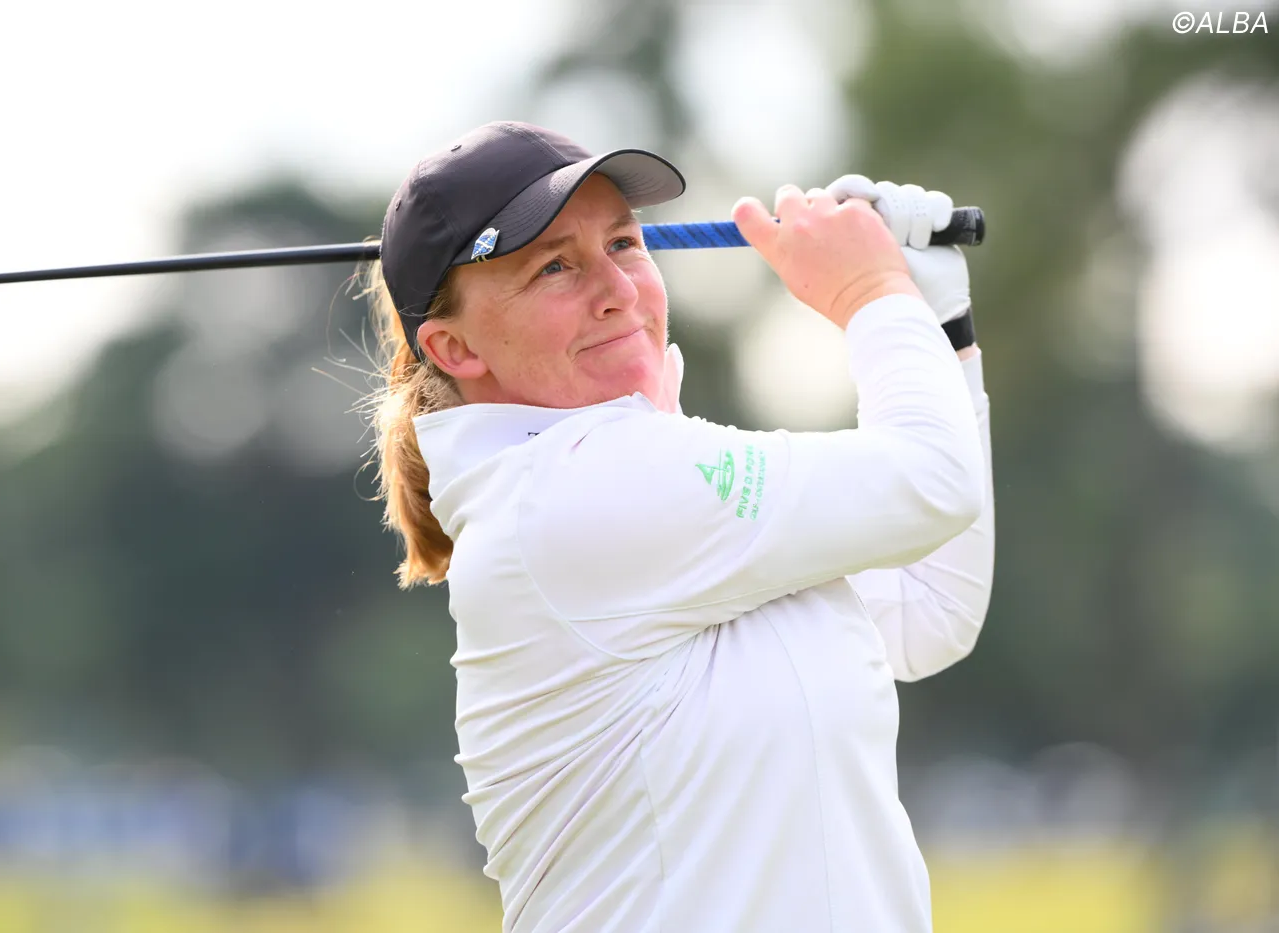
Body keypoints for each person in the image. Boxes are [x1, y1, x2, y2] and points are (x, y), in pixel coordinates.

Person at [366, 121, 994, 933]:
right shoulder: (569, 491)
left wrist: (938, 327)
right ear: (454, 346)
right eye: (554, 265)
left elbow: (924, 611)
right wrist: (874, 292)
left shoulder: (641, 486)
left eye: (623, 243)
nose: (618, 290)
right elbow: (931, 481)